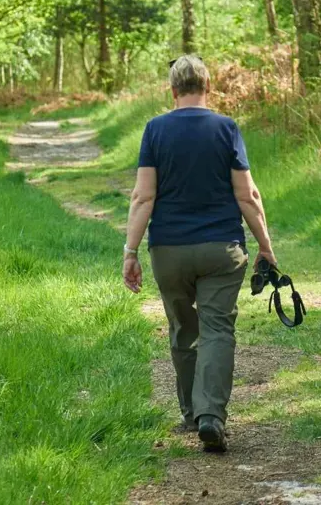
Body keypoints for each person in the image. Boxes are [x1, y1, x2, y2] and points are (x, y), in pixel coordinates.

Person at [122, 54, 276, 454]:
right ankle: (211, 415)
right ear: (208, 87)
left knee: (182, 329)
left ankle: (192, 412)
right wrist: (265, 245)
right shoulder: (226, 128)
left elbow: (143, 196)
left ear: (172, 91)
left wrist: (130, 251)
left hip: (168, 250)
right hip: (220, 250)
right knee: (218, 329)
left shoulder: (155, 130)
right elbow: (248, 194)